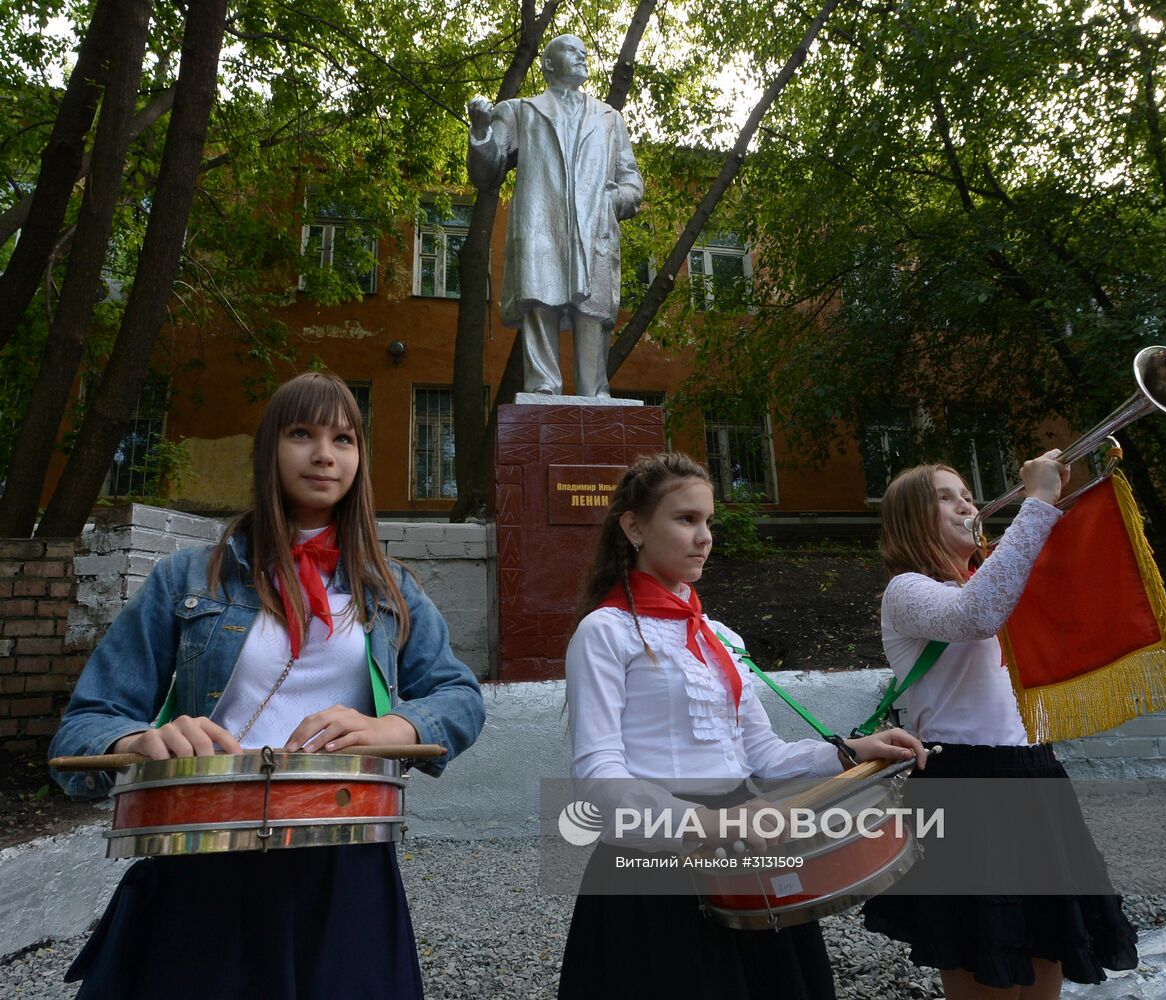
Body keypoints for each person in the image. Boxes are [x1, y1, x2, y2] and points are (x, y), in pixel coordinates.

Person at [48, 372, 485, 1000]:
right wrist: (139, 741)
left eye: (344, 438)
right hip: (206, 846)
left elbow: (459, 696)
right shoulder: (187, 578)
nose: (325, 455)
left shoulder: (390, 590)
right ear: (268, 449)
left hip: (344, 855)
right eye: (301, 433)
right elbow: (85, 723)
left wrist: (397, 727)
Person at [559, 452, 928, 1000]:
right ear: (634, 527)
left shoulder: (720, 636)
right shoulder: (605, 632)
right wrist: (709, 822)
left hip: (744, 846)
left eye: (708, 521)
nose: (704, 536)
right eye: (685, 519)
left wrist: (850, 750)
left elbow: (762, 755)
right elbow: (597, 775)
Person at [860, 454, 1138, 999]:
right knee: (986, 958)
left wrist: (1066, 498)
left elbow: (1061, 586)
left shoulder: (989, 578)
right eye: (944, 496)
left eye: (966, 492)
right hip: (964, 781)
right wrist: (1035, 503)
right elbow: (975, 614)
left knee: (1045, 948)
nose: (966, 502)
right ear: (911, 518)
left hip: (1033, 774)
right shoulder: (907, 590)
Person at [467, 34, 643, 398]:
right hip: (540, 223)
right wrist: (482, 132)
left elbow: (631, 182)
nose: (581, 54)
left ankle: (595, 391)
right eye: (569, 49)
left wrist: (613, 201)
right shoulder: (519, 110)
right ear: (547, 65)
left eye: (584, 49)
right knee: (540, 298)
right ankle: (542, 388)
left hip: (593, 226)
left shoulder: (610, 118)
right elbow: (487, 174)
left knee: (592, 311)